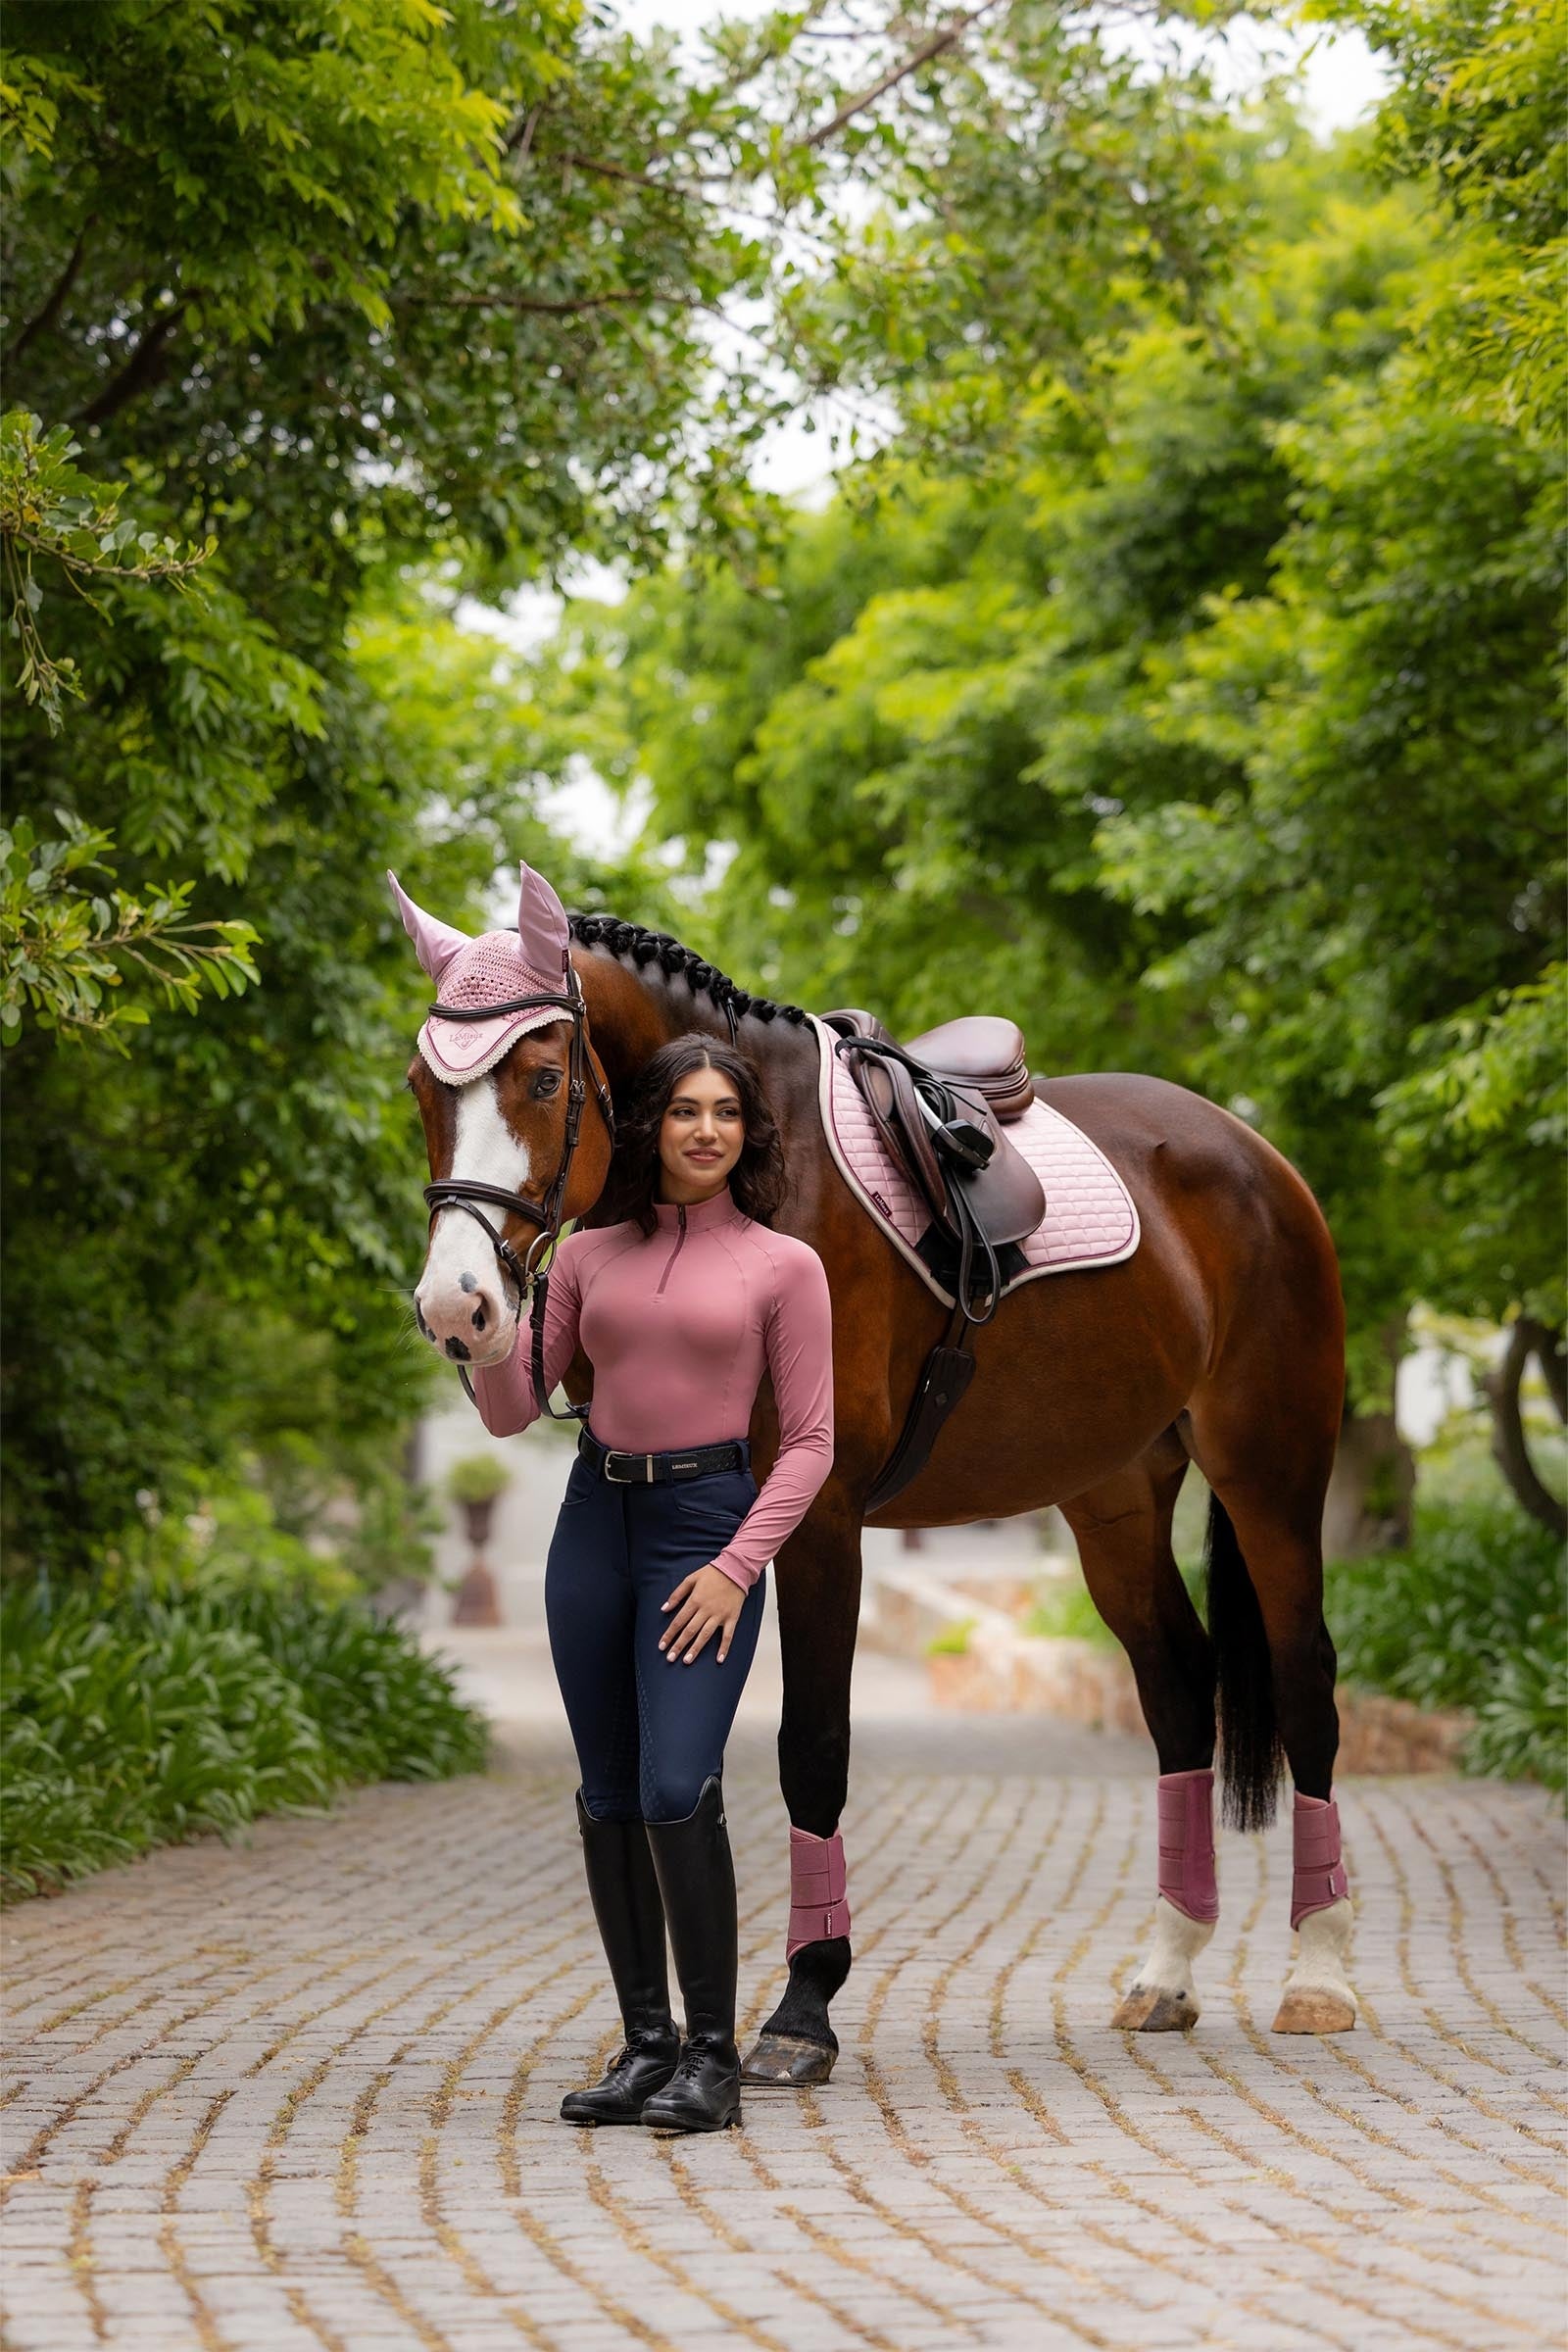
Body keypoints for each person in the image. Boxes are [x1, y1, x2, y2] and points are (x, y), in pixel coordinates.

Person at [471, 1035, 834, 2132]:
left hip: (703, 1530)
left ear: (747, 1131)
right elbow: (512, 1408)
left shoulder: (783, 1265)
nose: (707, 1130)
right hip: (595, 1527)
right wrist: (477, 1328)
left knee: (679, 1786)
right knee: (609, 1794)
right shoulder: (584, 1255)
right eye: (685, 1110)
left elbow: (811, 1441)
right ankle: (645, 2049)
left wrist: (736, 1567)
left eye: (726, 1111)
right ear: (651, 1126)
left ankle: (713, 2059)